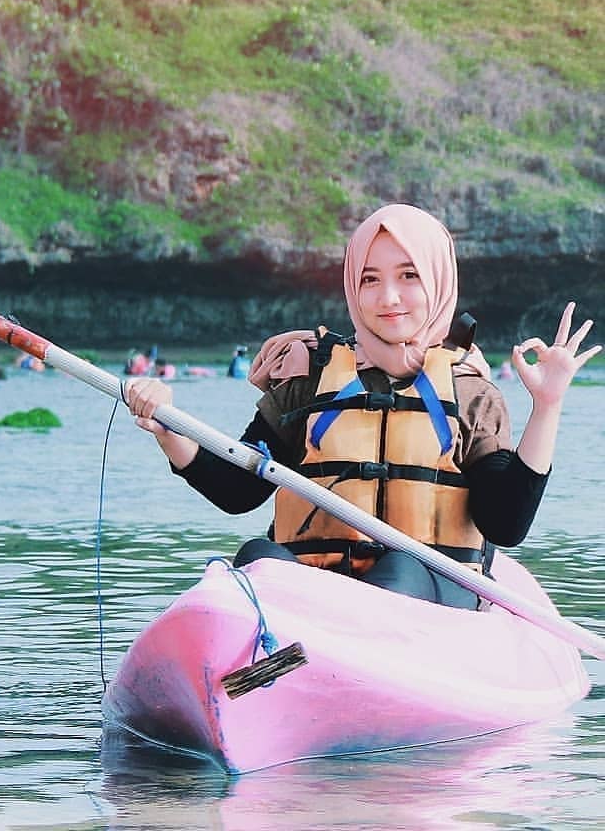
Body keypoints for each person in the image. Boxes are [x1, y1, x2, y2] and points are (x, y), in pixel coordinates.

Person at [125, 204, 600, 610]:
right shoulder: (311, 381)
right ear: (353, 285)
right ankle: (269, 672)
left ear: (437, 280)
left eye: (408, 276)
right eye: (370, 279)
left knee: (399, 571)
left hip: (430, 597)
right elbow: (238, 492)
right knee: (258, 556)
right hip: (320, 594)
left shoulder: (470, 394)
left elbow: (506, 524)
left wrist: (548, 405)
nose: (387, 298)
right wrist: (168, 429)